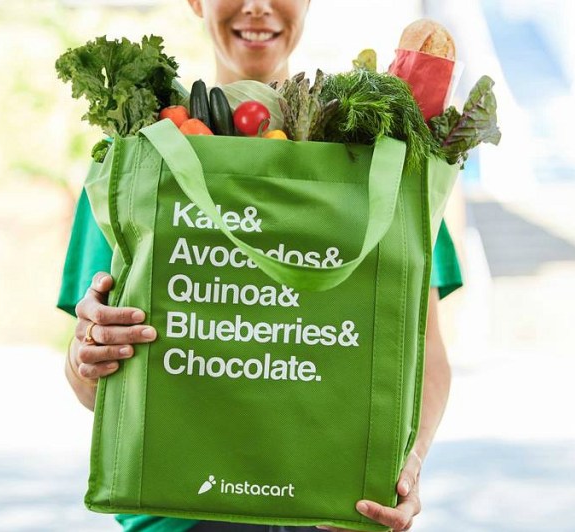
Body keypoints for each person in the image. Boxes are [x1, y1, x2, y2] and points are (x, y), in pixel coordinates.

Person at [58, 1, 462, 531]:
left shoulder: (377, 170)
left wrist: (406, 463)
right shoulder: (136, 159)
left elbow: (422, 349)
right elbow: (95, 387)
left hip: (325, 511)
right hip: (177, 513)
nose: (257, 5)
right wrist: (87, 356)